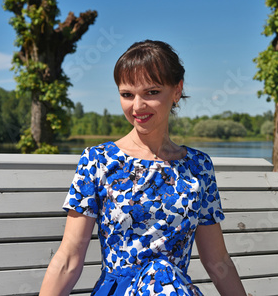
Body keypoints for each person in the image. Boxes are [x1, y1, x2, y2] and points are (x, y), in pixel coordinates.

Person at [39, 40, 247, 295]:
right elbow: (69, 259)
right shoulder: (99, 160)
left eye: (151, 92)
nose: (137, 106)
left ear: (177, 90)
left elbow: (217, 261)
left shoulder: (198, 167)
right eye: (127, 94)